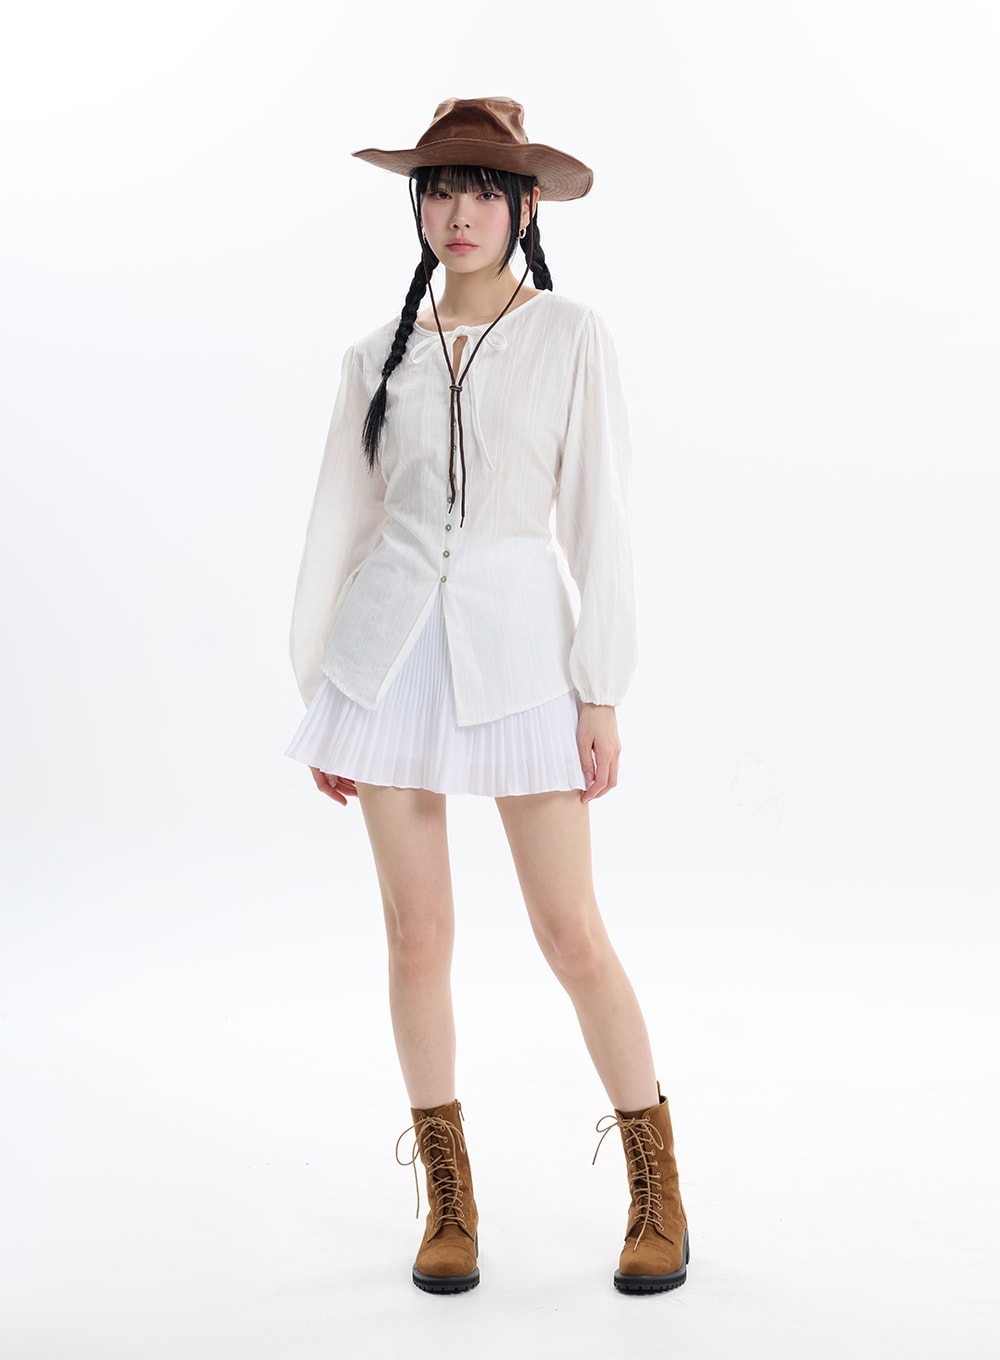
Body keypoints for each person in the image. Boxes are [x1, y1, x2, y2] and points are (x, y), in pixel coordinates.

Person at [285, 96, 688, 1296]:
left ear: (523, 208)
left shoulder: (569, 337)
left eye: (481, 190)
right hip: (386, 662)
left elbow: (598, 517)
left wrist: (600, 690)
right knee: (416, 935)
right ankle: (449, 1200)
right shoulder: (376, 356)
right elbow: (339, 523)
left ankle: (657, 1188)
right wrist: (325, 687)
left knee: (571, 932)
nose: (457, 211)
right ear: (418, 206)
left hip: (523, 660)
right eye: (438, 188)